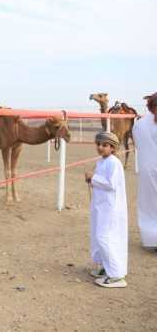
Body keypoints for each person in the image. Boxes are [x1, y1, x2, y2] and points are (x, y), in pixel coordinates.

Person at [84, 131, 128, 288]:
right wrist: (92, 179)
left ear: (113, 148)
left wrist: (93, 178)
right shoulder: (102, 162)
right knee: (98, 236)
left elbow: (111, 184)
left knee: (104, 237)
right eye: (99, 144)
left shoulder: (113, 162)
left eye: (105, 145)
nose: (100, 147)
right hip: (100, 206)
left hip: (110, 208)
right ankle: (104, 267)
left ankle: (116, 275)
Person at [133, 92, 157, 249]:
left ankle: (151, 240)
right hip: (150, 168)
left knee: (148, 204)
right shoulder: (142, 124)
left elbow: (137, 144)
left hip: (146, 169)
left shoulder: (138, 124)